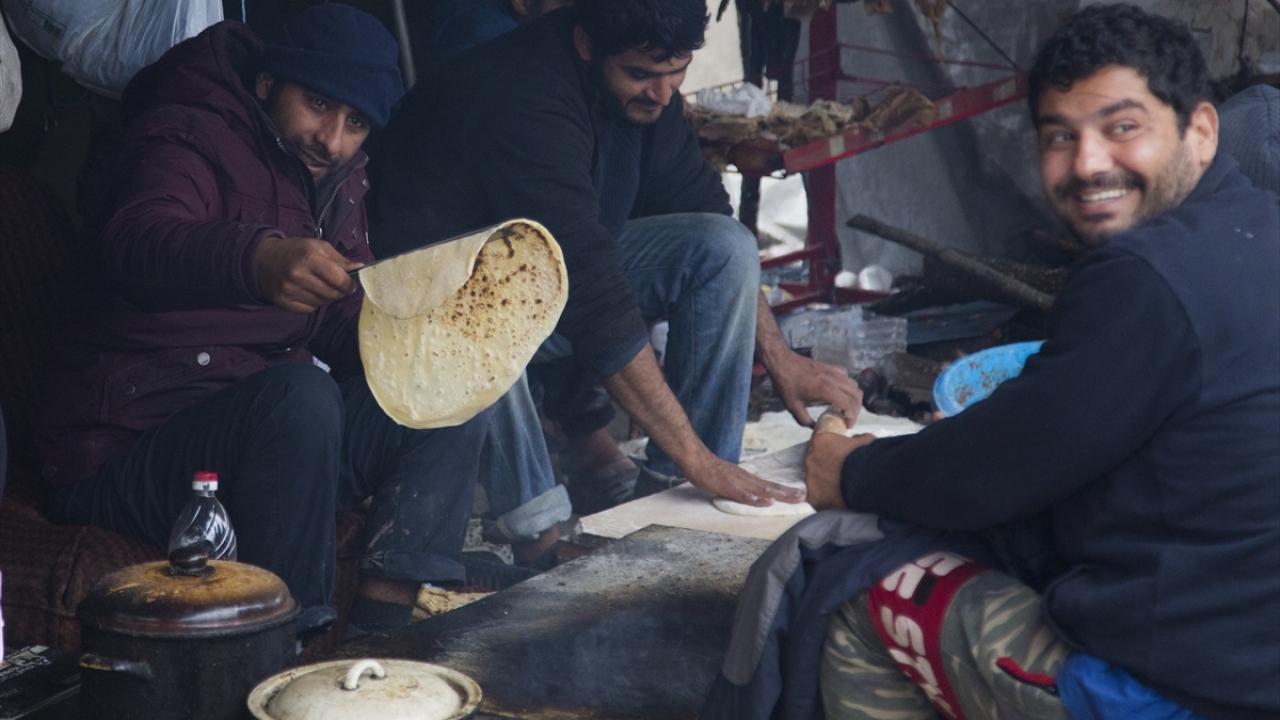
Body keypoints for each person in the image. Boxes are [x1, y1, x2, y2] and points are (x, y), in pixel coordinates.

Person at [792, 5, 1278, 719]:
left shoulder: (1146, 276)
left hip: (1182, 691)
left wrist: (850, 471)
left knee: (864, 596)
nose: (1088, 164)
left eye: (1122, 128)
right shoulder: (1260, 229)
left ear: (1200, 131)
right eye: (1060, 136)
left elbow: (989, 471)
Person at [35, 4, 488, 639]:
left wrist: (425, 341)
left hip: (269, 446)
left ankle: (382, 642)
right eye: (319, 104)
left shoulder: (336, 176)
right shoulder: (186, 129)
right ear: (268, 82)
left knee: (443, 397)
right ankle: (289, 659)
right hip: (134, 445)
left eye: (355, 122)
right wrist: (257, 258)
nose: (332, 139)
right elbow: (134, 239)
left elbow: (338, 319)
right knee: (300, 394)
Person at [368, 0, 864, 513]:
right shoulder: (523, 98)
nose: (664, 92)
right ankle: (540, 529)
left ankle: (681, 495)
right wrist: (696, 454)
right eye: (642, 75)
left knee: (724, 247)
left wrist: (780, 357)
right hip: (425, 310)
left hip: (546, 280)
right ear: (586, 44)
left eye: (678, 72)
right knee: (491, 318)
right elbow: (592, 290)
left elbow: (702, 205)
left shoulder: (652, 91)